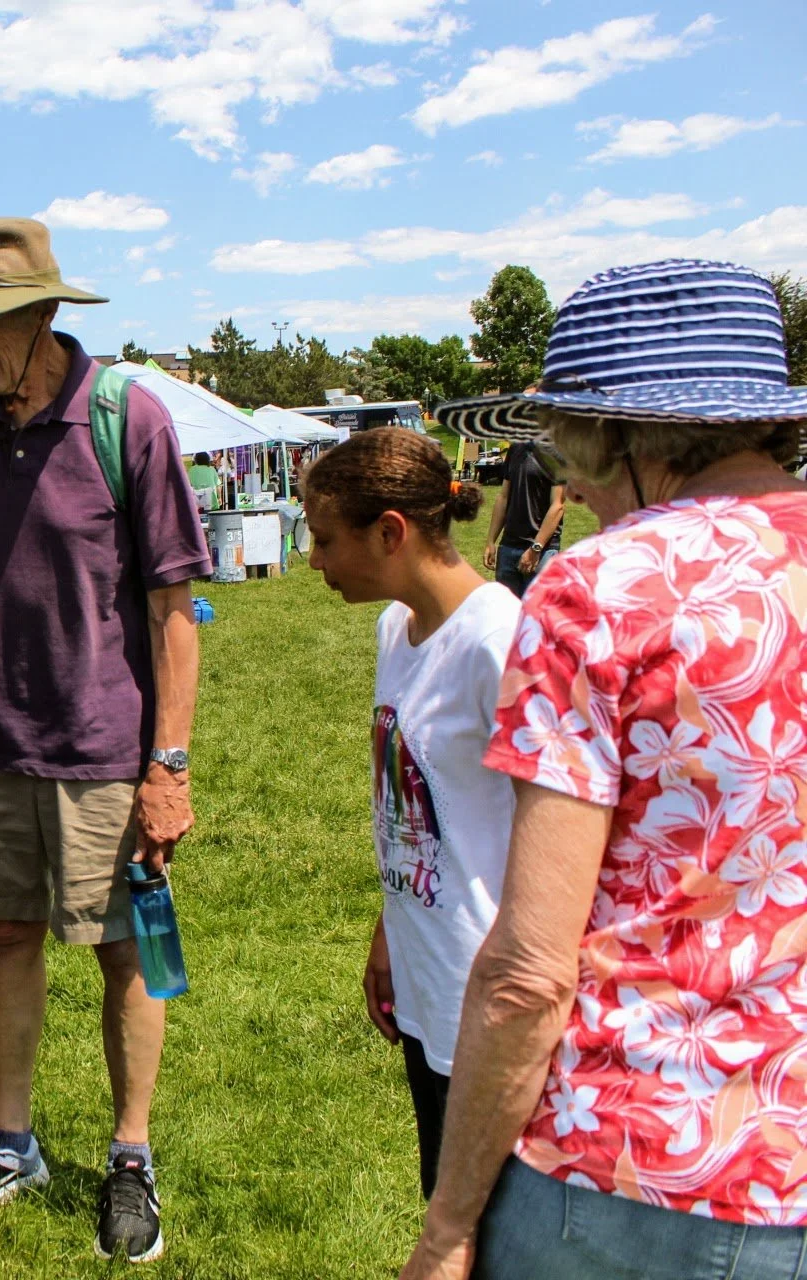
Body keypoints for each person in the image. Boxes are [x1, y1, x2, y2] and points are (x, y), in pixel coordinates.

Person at [398, 259, 807, 1279]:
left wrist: (449, 1224)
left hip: (636, 1159)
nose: (567, 480)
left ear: (628, 438)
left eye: (574, 446)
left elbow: (530, 968)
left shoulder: (602, 587)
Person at [0, 218, 210, 1262]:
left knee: (126, 951)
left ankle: (131, 1158)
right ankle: (12, 1140)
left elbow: (176, 612)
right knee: (8, 936)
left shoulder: (130, 418)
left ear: (42, 314)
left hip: (108, 752)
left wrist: (169, 764)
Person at [301, 428, 519, 1202]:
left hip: (493, 1005)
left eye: (325, 538)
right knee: (442, 1195)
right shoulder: (396, 628)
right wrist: (388, 931)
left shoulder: (498, 643)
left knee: (482, 1225)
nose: (314, 558)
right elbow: (415, 808)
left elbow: (557, 842)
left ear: (390, 531)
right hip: (429, 982)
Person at [479, 440, 565, 597]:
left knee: (535, 615)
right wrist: (491, 541)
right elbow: (503, 497)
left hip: (542, 552)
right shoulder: (516, 448)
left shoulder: (556, 453)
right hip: (508, 547)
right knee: (506, 615)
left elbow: (557, 506)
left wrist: (536, 548)